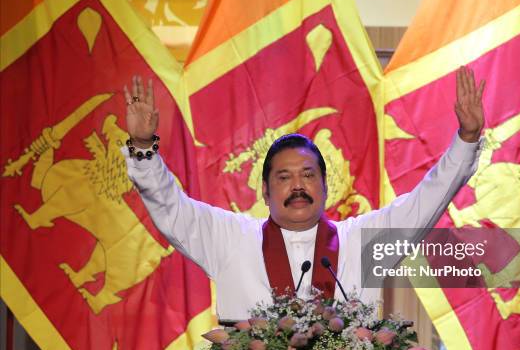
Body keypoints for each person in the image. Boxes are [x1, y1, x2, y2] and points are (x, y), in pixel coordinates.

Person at [122, 67, 485, 320]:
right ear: (264, 191)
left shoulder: (361, 241)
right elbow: (171, 206)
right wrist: (142, 144)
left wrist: (467, 138)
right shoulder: (230, 237)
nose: (297, 186)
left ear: (327, 187)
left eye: (308, 175)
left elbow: (425, 202)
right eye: (284, 177)